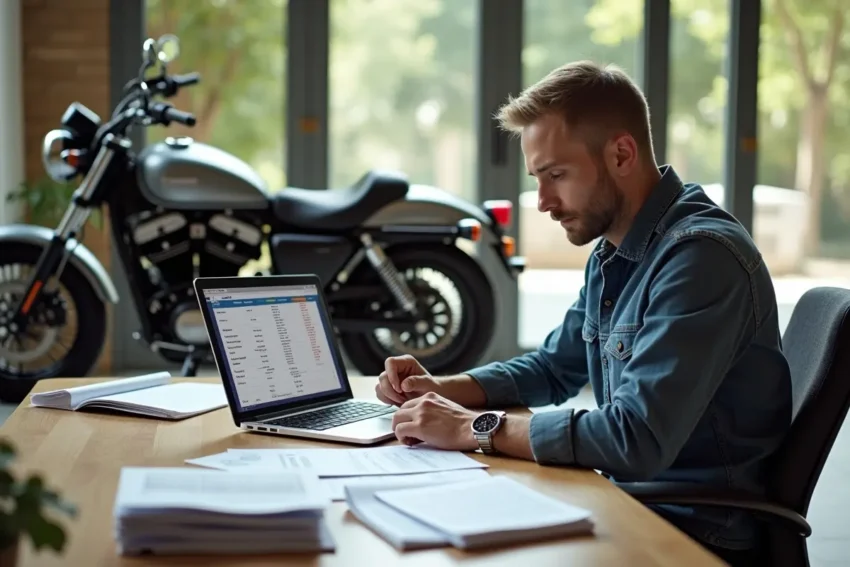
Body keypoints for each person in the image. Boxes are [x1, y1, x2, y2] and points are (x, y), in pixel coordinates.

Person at [376, 61, 792, 566]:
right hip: (628, 502)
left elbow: (634, 438)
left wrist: (472, 427)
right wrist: (441, 389)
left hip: (690, 535)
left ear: (621, 153)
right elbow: (553, 367)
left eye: (556, 175)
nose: (544, 202)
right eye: (538, 178)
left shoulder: (700, 258)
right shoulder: (617, 249)